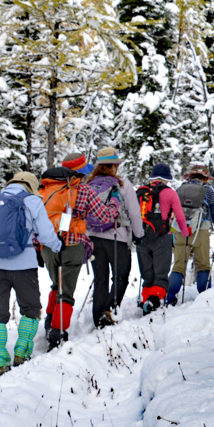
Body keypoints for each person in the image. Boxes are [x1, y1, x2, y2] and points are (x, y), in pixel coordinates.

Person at [0, 172, 62, 375]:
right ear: (31, 186)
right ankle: (22, 352)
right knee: (30, 308)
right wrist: (57, 246)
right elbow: (45, 233)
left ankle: (0, 359)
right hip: (24, 265)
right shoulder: (32, 201)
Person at [39, 155, 119, 348]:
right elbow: (104, 215)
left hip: (48, 245)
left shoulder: (45, 189)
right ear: (81, 172)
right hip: (72, 245)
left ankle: (49, 323)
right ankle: (58, 333)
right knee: (66, 292)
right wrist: (115, 203)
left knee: (55, 285)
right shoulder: (84, 190)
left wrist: (38, 246)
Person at [85, 147, 144, 328]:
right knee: (120, 277)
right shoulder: (123, 185)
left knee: (100, 278)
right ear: (115, 165)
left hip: (93, 237)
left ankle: (98, 318)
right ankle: (108, 311)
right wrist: (139, 235)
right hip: (117, 238)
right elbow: (134, 213)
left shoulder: (88, 184)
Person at [135, 163, 191, 315]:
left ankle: (146, 300)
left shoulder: (141, 192)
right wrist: (185, 233)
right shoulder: (170, 193)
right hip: (162, 237)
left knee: (148, 275)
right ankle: (153, 302)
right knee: (161, 275)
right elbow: (179, 216)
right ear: (167, 178)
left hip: (142, 237)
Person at [167, 165, 214, 304]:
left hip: (180, 230)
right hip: (201, 230)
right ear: (205, 178)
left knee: (178, 265)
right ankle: (205, 297)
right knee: (203, 265)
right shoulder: (208, 190)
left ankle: (170, 297)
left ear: (191, 176)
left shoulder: (180, 189)